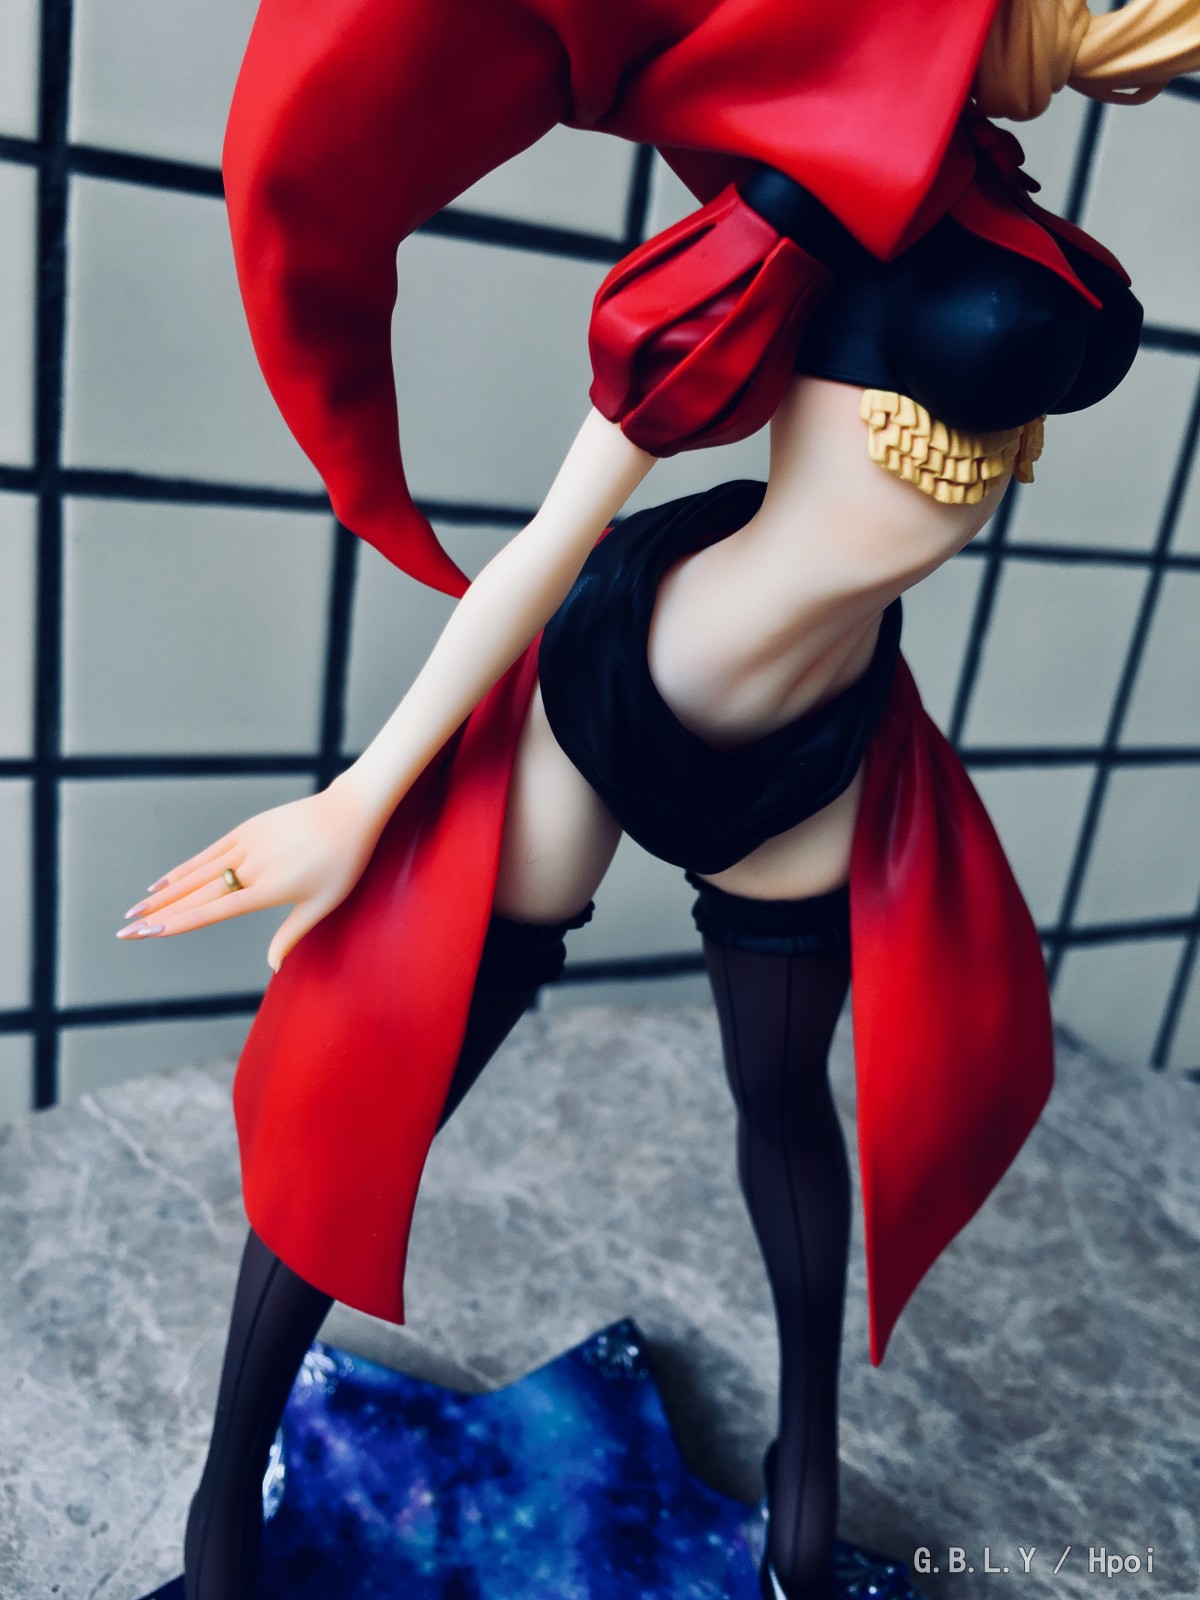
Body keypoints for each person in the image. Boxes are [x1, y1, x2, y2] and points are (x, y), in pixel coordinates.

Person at [114, 2, 1200, 1596]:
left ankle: (805, 1476)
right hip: (632, 682)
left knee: (783, 1097)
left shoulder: (987, 193)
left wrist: (1097, 53)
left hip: (819, 731)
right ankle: (223, 1509)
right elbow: (546, 547)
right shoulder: (800, 198)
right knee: (396, 1074)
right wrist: (359, 796)